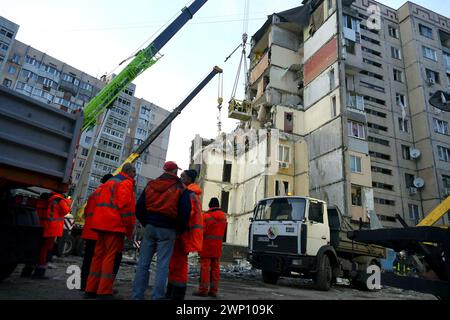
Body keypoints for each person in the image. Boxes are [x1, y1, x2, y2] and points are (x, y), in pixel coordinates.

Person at [132, 161, 191, 300]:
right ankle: (157, 297)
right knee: (162, 266)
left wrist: (147, 223)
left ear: (164, 170)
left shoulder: (151, 185)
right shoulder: (181, 188)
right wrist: (178, 230)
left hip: (150, 227)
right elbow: (185, 213)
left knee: (143, 264)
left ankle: (137, 296)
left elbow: (139, 207)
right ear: (175, 171)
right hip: (168, 229)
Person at [84, 164, 136, 299]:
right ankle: (104, 291)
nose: (135, 175)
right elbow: (124, 207)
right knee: (109, 256)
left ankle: (90, 289)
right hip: (114, 225)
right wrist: (129, 228)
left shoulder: (110, 182)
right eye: (134, 172)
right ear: (129, 172)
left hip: (100, 224)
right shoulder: (126, 183)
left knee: (98, 256)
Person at [166, 170, 204, 300]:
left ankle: (176, 294)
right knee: (176, 263)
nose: (180, 178)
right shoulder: (192, 194)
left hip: (183, 234)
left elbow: (187, 214)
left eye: (183, 176)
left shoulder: (189, 194)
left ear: (189, 179)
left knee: (179, 264)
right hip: (185, 234)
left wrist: (177, 228)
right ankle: (173, 291)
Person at [79, 173, 113, 291]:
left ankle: (83, 284)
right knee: (98, 260)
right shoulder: (107, 193)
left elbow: (87, 211)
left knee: (87, 258)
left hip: (89, 230)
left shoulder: (94, 193)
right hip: (99, 231)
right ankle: (94, 286)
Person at [32, 191, 71, 279]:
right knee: (46, 249)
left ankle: (28, 269)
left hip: (42, 225)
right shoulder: (59, 200)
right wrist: (67, 202)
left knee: (38, 247)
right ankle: (40, 272)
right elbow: (66, 211)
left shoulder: (47, 199)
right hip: (52, 228)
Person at [194, 197, 227, 298]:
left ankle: (203, 290)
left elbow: (201, 231)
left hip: (206, 247)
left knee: (205, 269)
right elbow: (223, 234)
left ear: (210, 206)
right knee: (215, 269)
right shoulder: (224, 217)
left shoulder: (206, 216)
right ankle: (213, 291)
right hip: (217, 248)